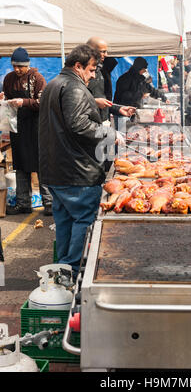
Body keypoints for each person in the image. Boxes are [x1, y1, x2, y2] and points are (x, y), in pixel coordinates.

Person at [39, 44, 115, 278]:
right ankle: (70, 270)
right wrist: (109, 133)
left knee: (64, 222)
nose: (93, 76)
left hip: (55, 169)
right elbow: (79, 125)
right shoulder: (74, 87)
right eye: (92, 70)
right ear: (78, 66)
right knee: (82, 220)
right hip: (77, 171)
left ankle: (62, 268)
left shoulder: (53, 84)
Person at [3, 47, 53, 216]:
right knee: (20, 165)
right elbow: (8, 100)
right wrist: (5, 100)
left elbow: (43, 102)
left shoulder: (36, 78)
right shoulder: (9, 79)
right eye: (14, 66)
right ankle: (23, 203)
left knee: (41, 165)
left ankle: (49, 203)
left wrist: (23, 102)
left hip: (37, 127)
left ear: (27, 65)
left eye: (20, 66)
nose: (17, 69)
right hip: (18, 128)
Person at [86, 37, 136, 121]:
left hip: (102, 122)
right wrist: (94, 102)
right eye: (103, 51)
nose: (106, 55)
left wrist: (118, 109)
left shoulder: (100, 71)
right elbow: (75, 103)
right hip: (90, 125)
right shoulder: (80, 74)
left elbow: (103, 100)